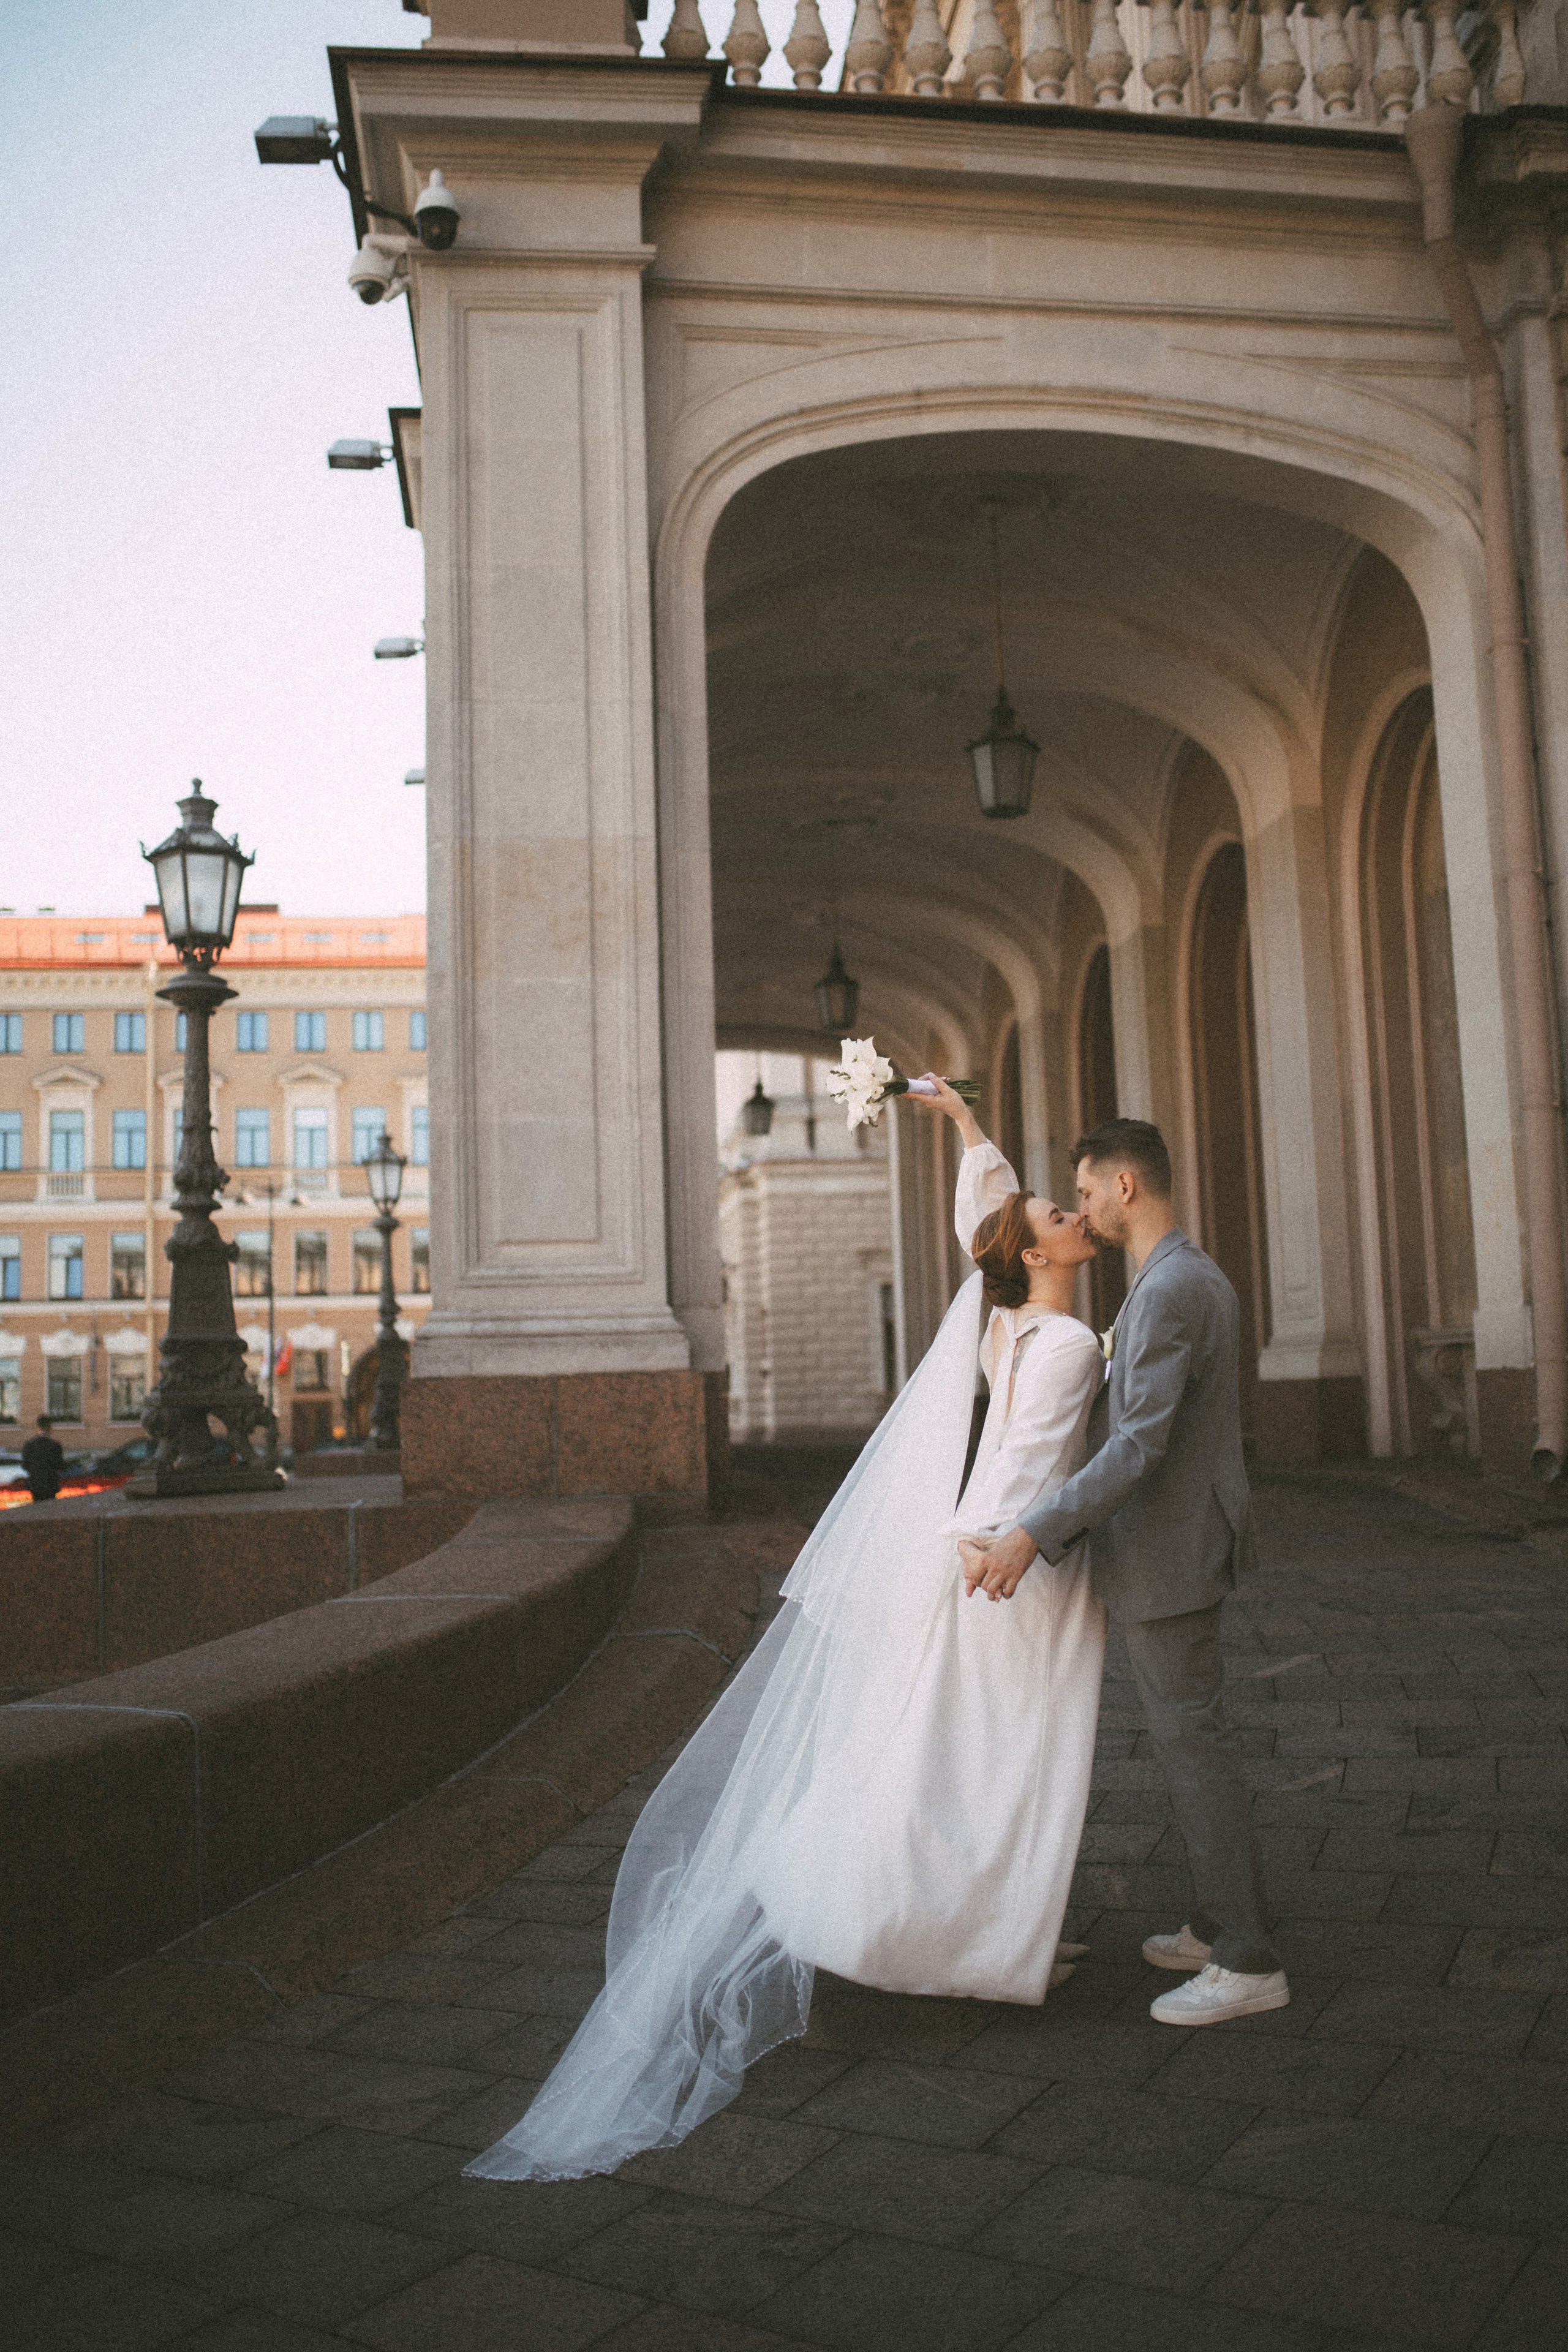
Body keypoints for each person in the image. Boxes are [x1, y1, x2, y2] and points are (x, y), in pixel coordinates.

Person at [465, 1083, 1107, 2183]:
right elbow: (1028, 1460)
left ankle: (991, 1922)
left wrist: (963, 1123)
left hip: (974, 1551)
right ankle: (971, 1934)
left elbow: (980, 1223)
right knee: (1006, 1755)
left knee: (950, 1748)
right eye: (1059, 1215)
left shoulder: (1009, 1316)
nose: (1075, 1219)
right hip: (1012, 1563)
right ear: (1036, 1251)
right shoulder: (1059, 1346)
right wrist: (1001, 1540)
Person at [967, 1116, 1289, 2028]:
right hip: (1172, 1546)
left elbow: (1140, 1443)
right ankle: (1217, 1920)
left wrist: (1033, 1532)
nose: (1086, 1210)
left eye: (1088, 1189)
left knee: (1196, 1750)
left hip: (1173, 1552)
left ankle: (1249, 1961)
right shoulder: (1173, 1278)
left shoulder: (1171, 1289)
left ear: (1125, 1187)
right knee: (1193, 1742)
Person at [21, 1415, 67, 1504]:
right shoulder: (55, 1445)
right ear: (50, 1427)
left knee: (37, 1509)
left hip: (35, 1484)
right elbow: (60, 1465)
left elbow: (25, 1465)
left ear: (38, 1426)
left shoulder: (29, 1445)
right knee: (50, 1510)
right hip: (51, 1483)